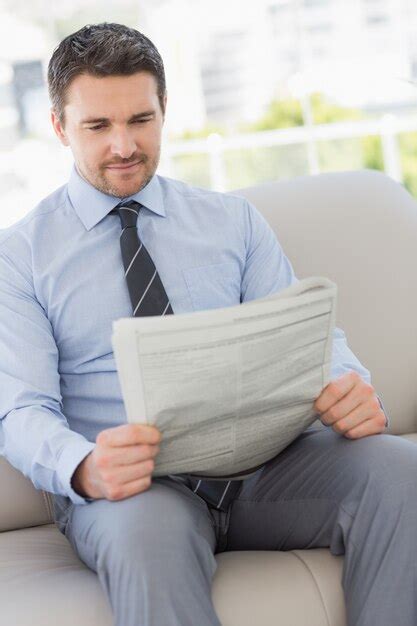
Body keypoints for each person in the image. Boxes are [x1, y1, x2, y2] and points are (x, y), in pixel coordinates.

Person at [0, 21, 415, 626]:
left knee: (401, 475)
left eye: (140, 120)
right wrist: (85, 467)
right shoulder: (21, 257)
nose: (123, 145)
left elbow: (308, 338)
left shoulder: (232, 222)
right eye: (98, 126)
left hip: (265, 468)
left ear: (164, 110)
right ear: (60, 127)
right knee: (146, 538)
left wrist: (349, 384)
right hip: (137, 491)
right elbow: (21, 411)